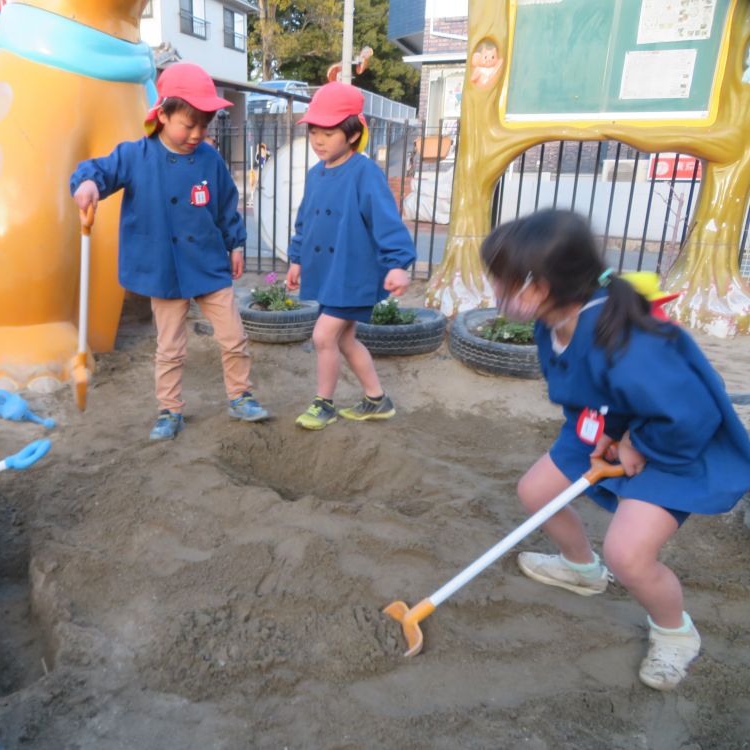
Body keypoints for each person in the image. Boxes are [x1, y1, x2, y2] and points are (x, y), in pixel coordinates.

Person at [480, 209, 750, 690]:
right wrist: (610, 431)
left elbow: (690, 413)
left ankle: (675, 633)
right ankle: (581, 568)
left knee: (628, 555)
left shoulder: (625, 337)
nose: (494, 293)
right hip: (609, 424)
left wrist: (636, 442)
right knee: (536, 491)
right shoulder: (550, 322)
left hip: (676, 444)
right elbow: (590, 388)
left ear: (542, 284)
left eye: (502, 282)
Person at [71, 62, 269, 441]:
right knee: (170, 346)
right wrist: (87, 185)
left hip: (209, 264)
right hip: (165, 270)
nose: (196, 134)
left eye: (204, 126)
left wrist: (236, 243)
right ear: (161, 114)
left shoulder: (210, 159)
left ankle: (241, 395)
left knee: (233, 336)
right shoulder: (136, 155)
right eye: (187, 124)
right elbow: (99, 170)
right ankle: (170, 410)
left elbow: (227, 204)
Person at [284, 82, 415, 430]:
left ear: (353, 133)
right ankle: (377, 399)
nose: (318, 140)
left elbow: (387, 220)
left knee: (323, 336)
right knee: (344, 338)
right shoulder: (315, 175)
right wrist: (296, 259)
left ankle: (323, 404)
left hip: (352, 273)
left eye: (328, 132)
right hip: (328, 272)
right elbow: (305, 220)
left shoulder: (364, 172)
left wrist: (399, 263)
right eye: (314, 131)